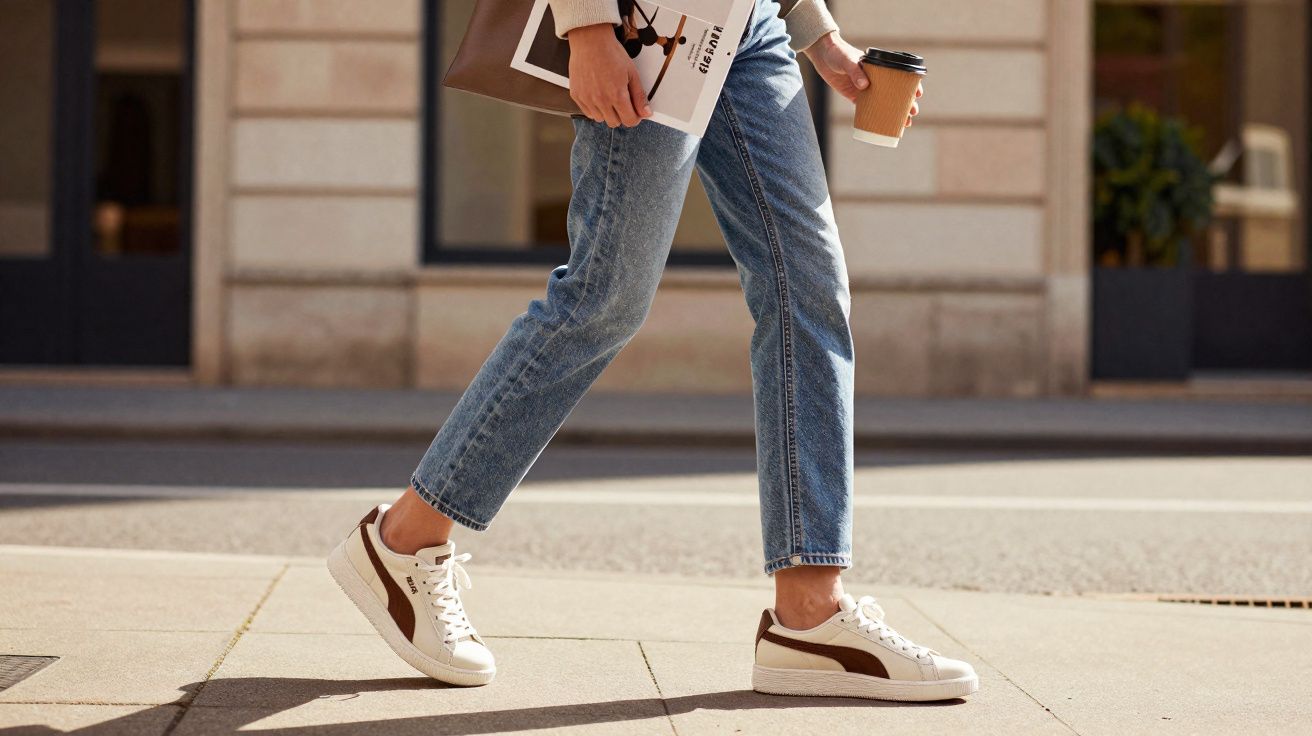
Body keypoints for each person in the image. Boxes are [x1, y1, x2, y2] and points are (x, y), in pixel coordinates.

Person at [327, 0, 978, 702]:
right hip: (650, 22)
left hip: (750, 26)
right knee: (605, 298)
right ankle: (405, 539)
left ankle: (809, 616)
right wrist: (586, 28)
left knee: (810, 295)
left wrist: (815, 32)